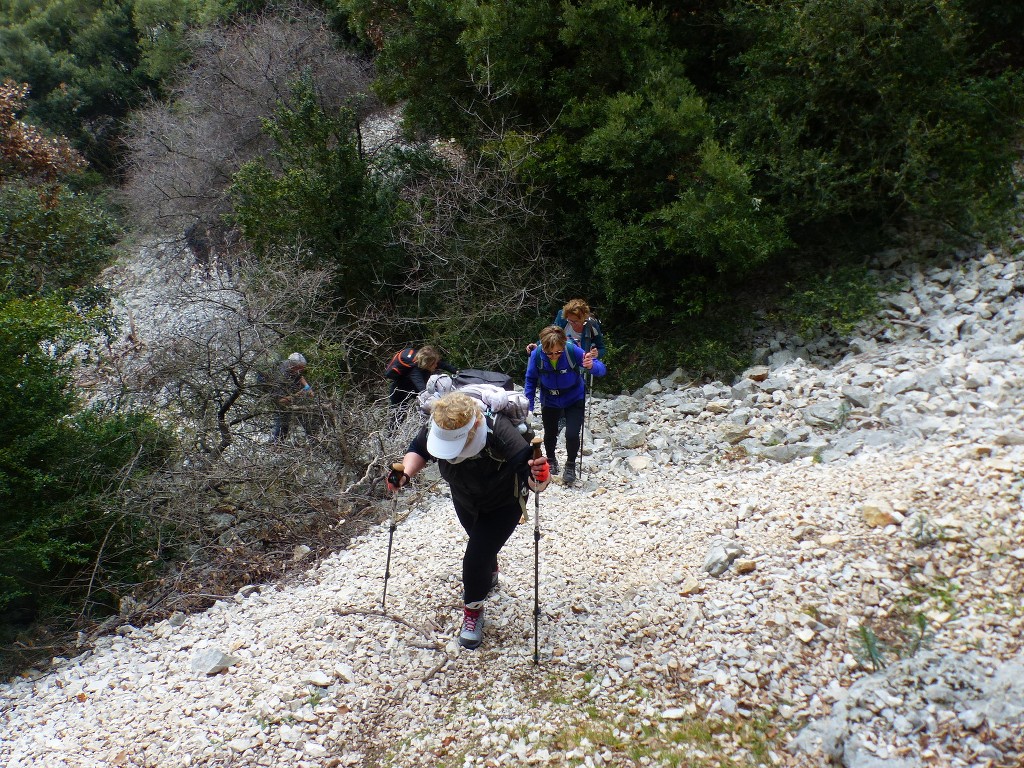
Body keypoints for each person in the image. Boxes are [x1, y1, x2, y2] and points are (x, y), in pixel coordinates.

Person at [386, 392, 550, 649]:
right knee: (479, 542)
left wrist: (539, 475)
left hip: (504, 502)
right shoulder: (435, 424)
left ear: (474, 426)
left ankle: (473, 611)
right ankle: (491, 570)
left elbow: (535, 482)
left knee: (474, 559)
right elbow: (418, 450)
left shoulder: (500, 430)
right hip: (464, 497)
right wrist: (404, 474)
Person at [524, 325, 606, 486]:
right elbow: (530, 380)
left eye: (558, 352)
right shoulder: (537, 354)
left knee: (572, 434)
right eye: (550, 353)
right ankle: (551, 459)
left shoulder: (571, 350)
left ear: (563, 344)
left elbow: (601, 369)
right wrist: (529, 408)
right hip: (550, 398)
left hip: (574, 397)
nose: (554, 356)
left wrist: (591, 366)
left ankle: (570, 465)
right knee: (550, 432)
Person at [387, 345, 457, 423]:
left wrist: (457, 372)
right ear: (427, 364)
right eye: (434, 364)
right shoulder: (415, 372)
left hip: (411, 387)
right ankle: (391, 435)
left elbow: (443, 365)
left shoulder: (426, 359)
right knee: (398, 416)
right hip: (400, 391)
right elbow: (423, 391)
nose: (436, 365)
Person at [526, 298, 606, 360]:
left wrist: (597, 353)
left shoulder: (592, 325)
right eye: (569, 320)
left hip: (578, 360)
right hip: (558, 355)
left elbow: (601, 348)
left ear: (583, 318)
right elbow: (551, 335)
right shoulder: (562, 318)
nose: (572, 323)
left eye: (576, 321)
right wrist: (536, 345)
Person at [268, 352, 317, 442]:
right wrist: (299, 394)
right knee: (282, 421)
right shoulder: (281, 377)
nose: (301, 371)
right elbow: (280, 401)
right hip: (278, 397)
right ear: (292, 366)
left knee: (297, 416)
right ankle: (275, 444)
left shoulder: (291, 365)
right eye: (299, 368)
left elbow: (299, 376)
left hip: (289, 393)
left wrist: (307, 386)